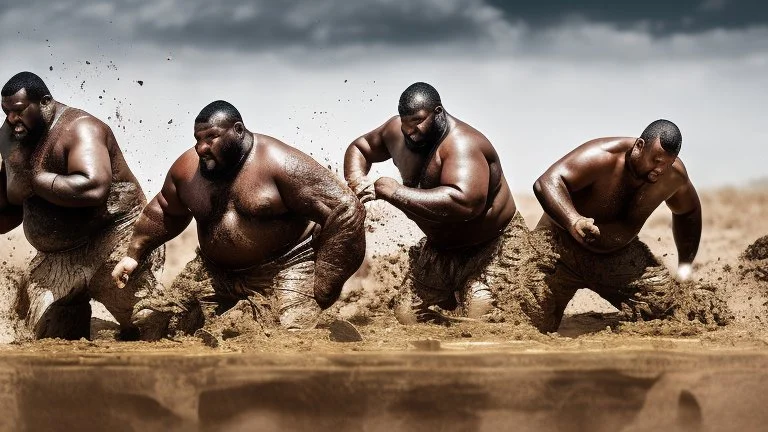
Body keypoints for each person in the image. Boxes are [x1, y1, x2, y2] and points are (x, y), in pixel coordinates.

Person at [112, 100, 366, 336]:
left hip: (285, 267)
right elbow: (165, 209)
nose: (202, 148)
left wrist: (324, 286)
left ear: (238, 130)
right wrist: (133, 254)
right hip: (214, 272)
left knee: (288, 334)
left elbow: (345, 209)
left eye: (211, 137)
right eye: (197, 139)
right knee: (158, 325)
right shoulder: (186, 170)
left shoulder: (279, 162)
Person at [344, 82, 528, 324]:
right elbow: (361, 148)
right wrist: (357, 181)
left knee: (480, 314)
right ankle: (449, 302)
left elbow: (464, 203)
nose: (411, 131)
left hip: (493, 245)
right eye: (406, 122)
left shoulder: (462, 144)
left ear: (438, 113)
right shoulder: (397, 133)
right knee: (407, 315)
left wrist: (396, 192)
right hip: (440, 249)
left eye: (419, 121)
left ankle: (465, 301)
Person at [0, 71, 163, 340]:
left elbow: (93, 187)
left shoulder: (80, 128)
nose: (11, 119)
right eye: (6, 112)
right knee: (45, 338)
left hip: (113, 240)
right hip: (58, 257)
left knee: (148, 328)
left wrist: (34, 180)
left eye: (18, 111)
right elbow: (9, 208)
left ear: (45, 102)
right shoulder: (9, 138)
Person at [531, 119, 729, 332]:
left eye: (668, 163)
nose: (660, 169)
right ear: (640, 146)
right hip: (558, 251)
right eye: (656, 160)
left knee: (676, 313)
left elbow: (688, 211)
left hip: (618, 257)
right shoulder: (602, 156)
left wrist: (685, 265)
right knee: (525, 317)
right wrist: (574, 221)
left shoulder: (673, 176)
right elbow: (547, 182)